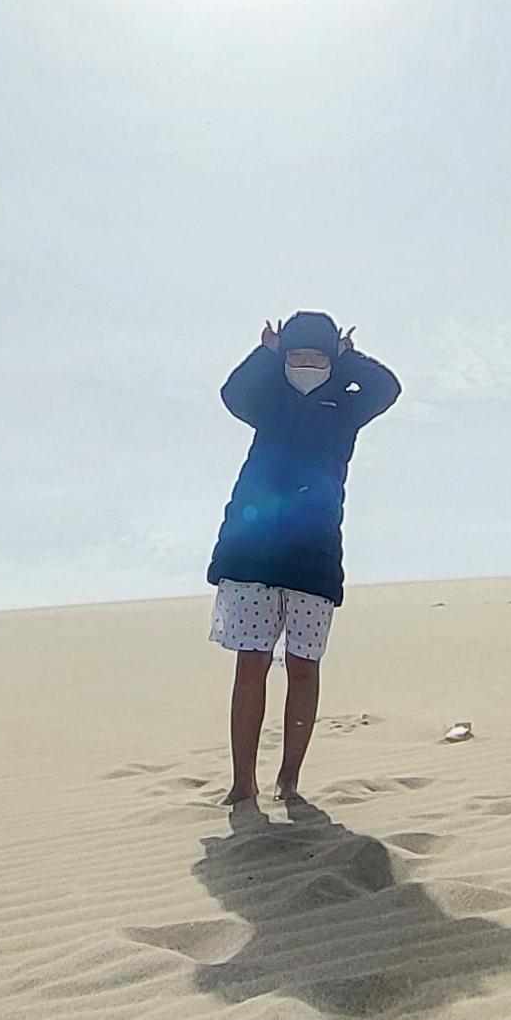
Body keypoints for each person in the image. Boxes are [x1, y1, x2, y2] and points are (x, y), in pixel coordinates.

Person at [207, 311, 402, 809]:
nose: (307, 365)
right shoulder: (269, 400)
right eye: (298, 356)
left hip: (314, 555)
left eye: (317, 356)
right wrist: (268, 354)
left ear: (332, 361)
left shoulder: (344, 407)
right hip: (253, 551)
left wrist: (348, 357)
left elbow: (387, 387)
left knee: (303, 666)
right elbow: (233, 393)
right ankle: (242, 781)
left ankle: (289, 779)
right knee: (250, 665)